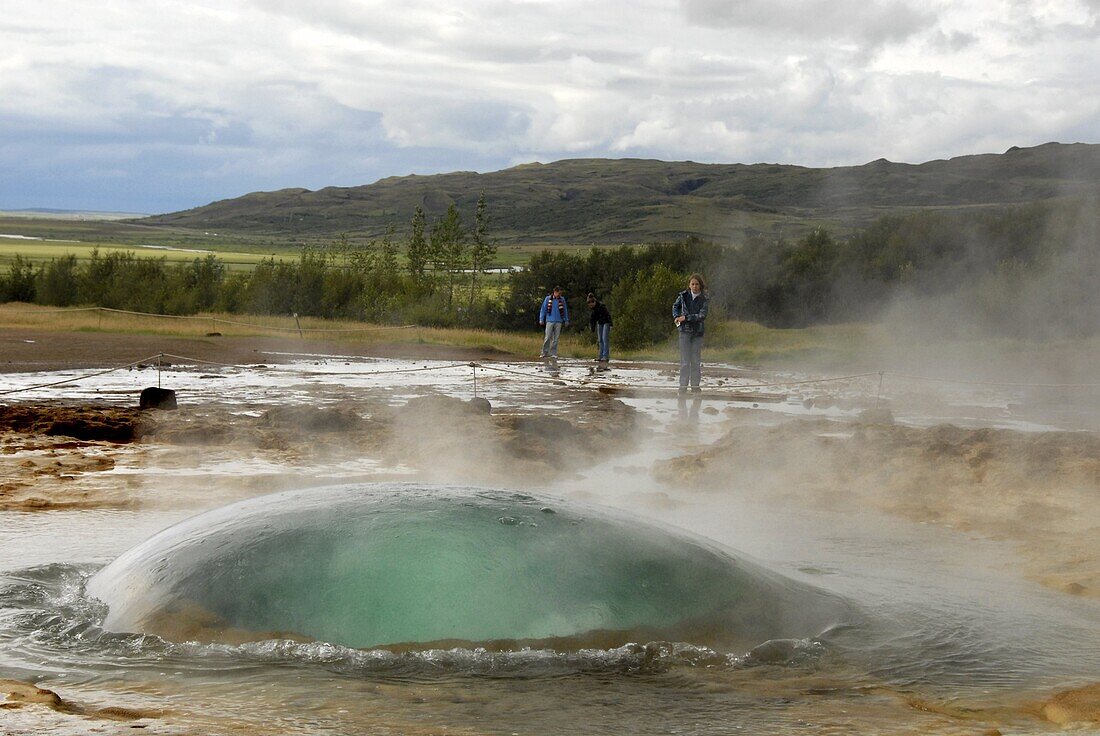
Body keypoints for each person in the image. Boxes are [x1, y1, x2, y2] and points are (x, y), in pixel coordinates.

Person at [672, 273, 708, 392]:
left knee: (696, 361)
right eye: (692, 284)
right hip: (684, 332)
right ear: (689, 285)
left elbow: (702, 316)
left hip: (697, 333)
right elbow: (675, 306)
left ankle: (695, 388)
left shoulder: (704, 298)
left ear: (700, 285)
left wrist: (686, 318)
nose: (694, 286)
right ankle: (682, 387)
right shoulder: (683, 296)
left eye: (697, 284)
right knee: (685, 361)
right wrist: (676, 316)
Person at [538, 285, 569, 358]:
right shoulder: (548, 299)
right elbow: (543, 309)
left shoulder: (562, 300)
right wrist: (541, 319)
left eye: (560, 293)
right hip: (550, 320)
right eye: (559, 293)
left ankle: (553, 353)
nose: (559, 295)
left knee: (556, 338)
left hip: (559, 321)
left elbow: (565, 310)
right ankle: (544, 352)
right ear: (555, 292)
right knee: (548, 337)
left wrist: (566, 319)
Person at [586, 293, 612, 366]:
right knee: (600, 340)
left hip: (606, 323)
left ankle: (605, 356)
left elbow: (608, 315)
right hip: (600, 324)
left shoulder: (601, 306)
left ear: (593, 302)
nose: (590, 306)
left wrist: (611, 324)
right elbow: (592, 320)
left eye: (591, 305)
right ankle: (600, 356)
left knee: (604, 339)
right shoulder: (593, 310)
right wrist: (592, 329)